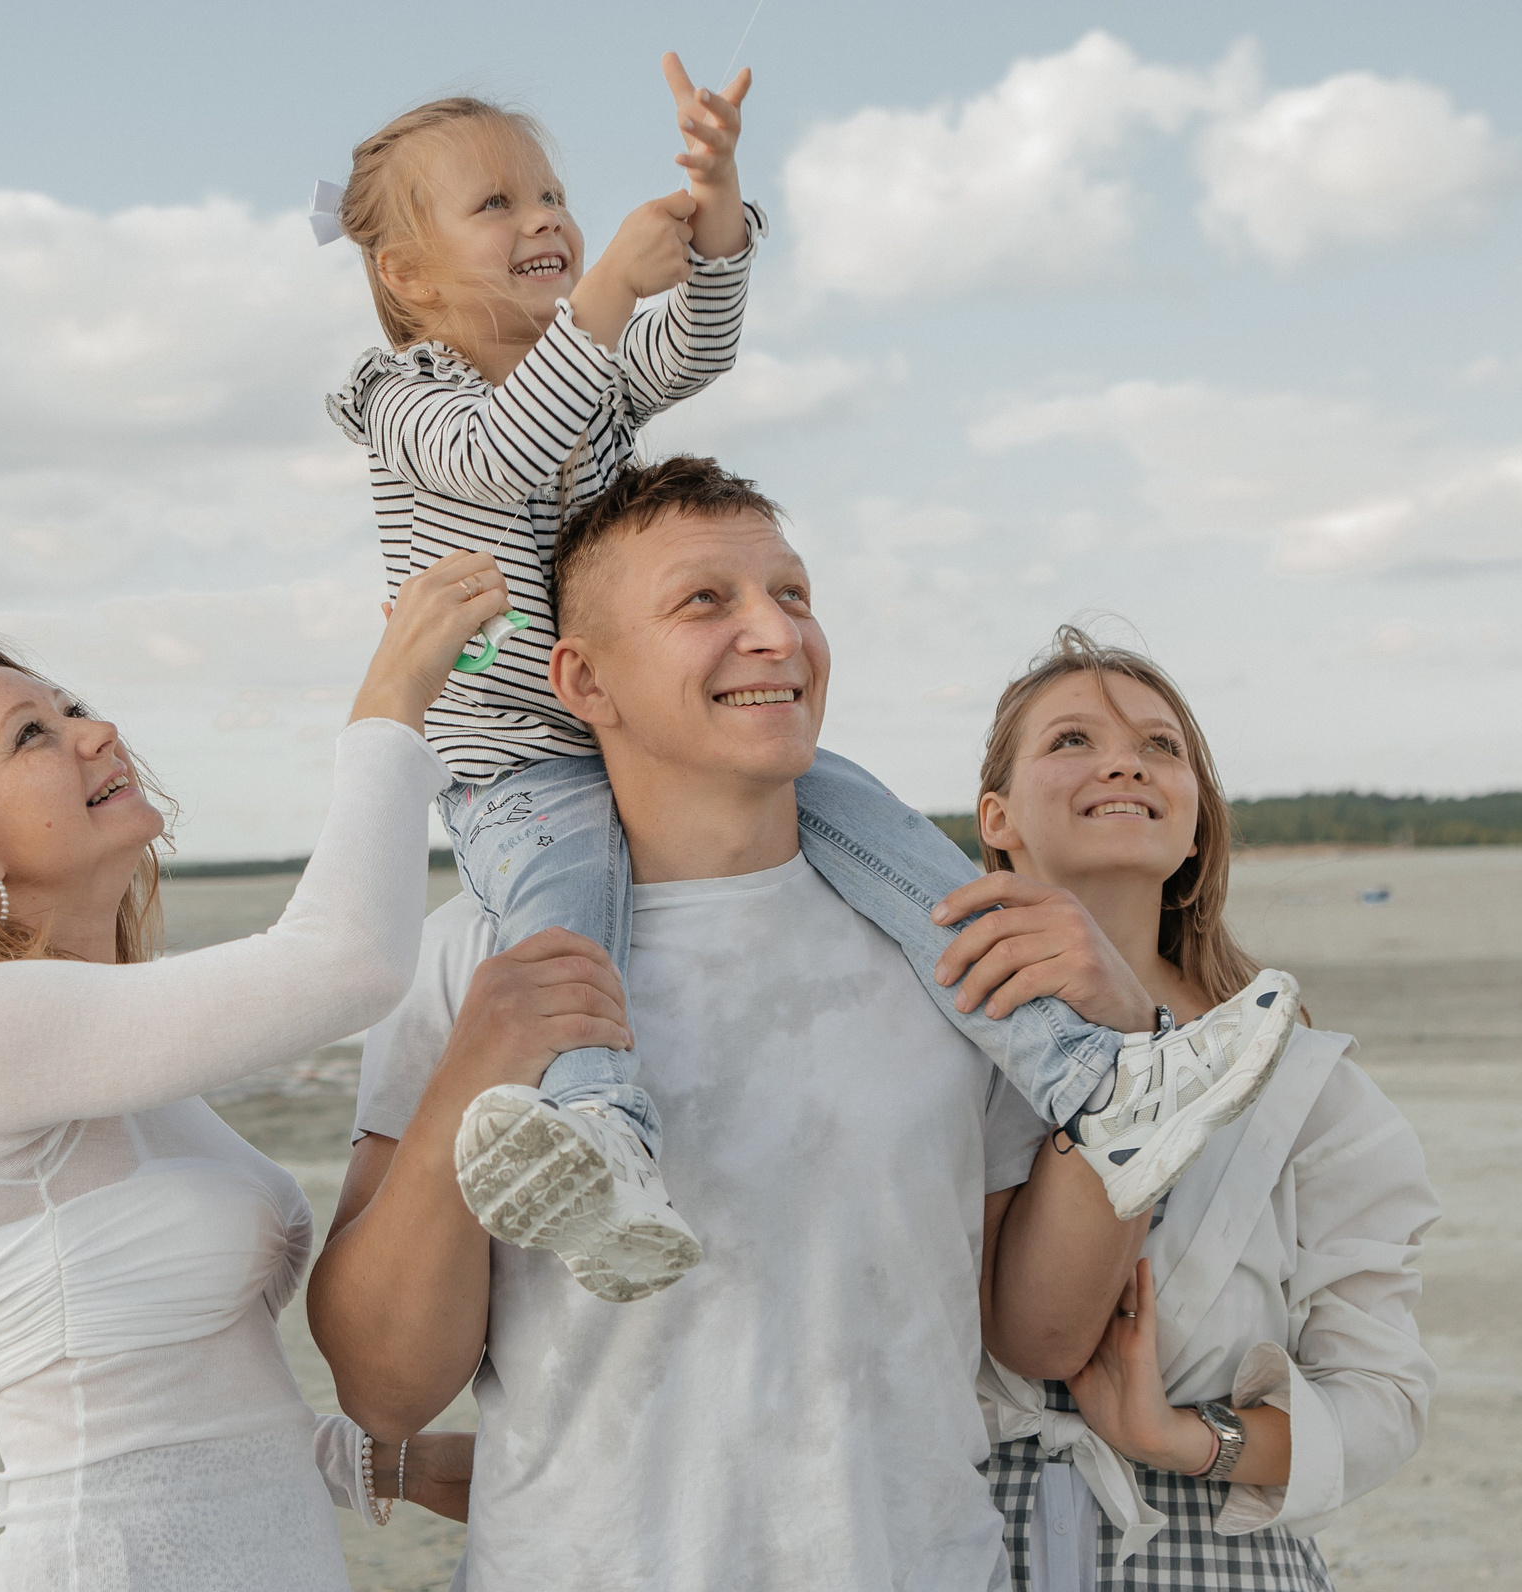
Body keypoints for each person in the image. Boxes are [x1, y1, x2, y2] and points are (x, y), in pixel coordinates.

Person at [322, 68, 1297, 1304]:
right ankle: (602, 1142)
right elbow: (504, 457)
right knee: (565, 922)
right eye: (497, 204)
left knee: (886, 838)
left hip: (650, 735)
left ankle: (1095, 1076)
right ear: (406, 277)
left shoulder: (584, 373)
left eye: (554, 194)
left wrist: (716, 218)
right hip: (522, 752)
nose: (546, 221)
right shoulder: (409, 398)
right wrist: (608, 291)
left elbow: (697, 349)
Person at [308, 457, 1218, 1590]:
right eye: (707, 601)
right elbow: (385, 1385)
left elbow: (1032, 1334)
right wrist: (472, 1074)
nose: (777, 635)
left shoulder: (944, 943)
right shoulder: (472, 953)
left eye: (791, 595)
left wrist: (1129, 1056)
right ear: (584, 680)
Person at [0, 550, 506, 1592]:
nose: (96, 731)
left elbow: (151, 1396)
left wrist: (375, 1460)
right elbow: (344, 961)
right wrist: (390, 697)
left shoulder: (119, 1055)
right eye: (32, 734)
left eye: (74, 705)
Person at [968, 629, 1440, 1590]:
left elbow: (1383, 1399)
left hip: (1212, 1562)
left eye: (1161, 746)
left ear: (1191, 830)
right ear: (999, 817)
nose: (1123, 762)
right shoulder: (922, 1051)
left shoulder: (1304, 1084)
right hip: (944, 1543)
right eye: (1070, 741)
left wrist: (1186, 1438)